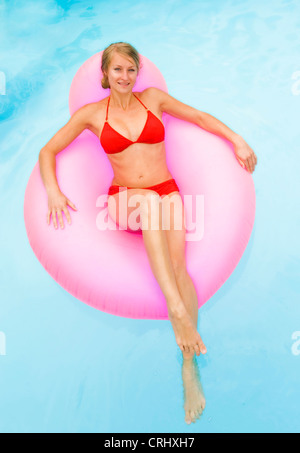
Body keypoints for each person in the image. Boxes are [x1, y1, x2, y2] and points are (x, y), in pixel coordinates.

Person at [38, 42, 257, 424]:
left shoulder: (153, 99)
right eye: (117, 70)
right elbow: (47, 151)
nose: (125, 77)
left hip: (166, 188)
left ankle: (188, 367)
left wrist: (236, 138)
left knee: (179, 264)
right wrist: (54, 191)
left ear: (137, 73)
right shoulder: (92, 114)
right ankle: (176, 308)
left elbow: (201, 118)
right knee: (150, 207)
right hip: (125, 199)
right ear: (104, 75)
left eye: (130, 70)